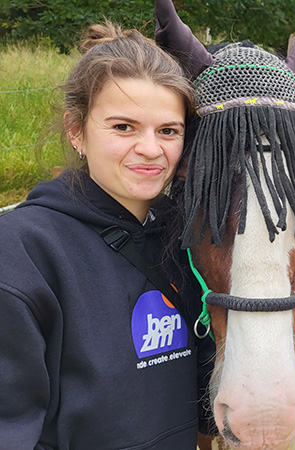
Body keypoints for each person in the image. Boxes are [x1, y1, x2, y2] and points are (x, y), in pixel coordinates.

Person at [0, 21, 209, 449]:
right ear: (76, 131)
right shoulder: (23, 252)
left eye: (168, 130)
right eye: (123, 127)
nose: (151, 149)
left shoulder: (192, 240)